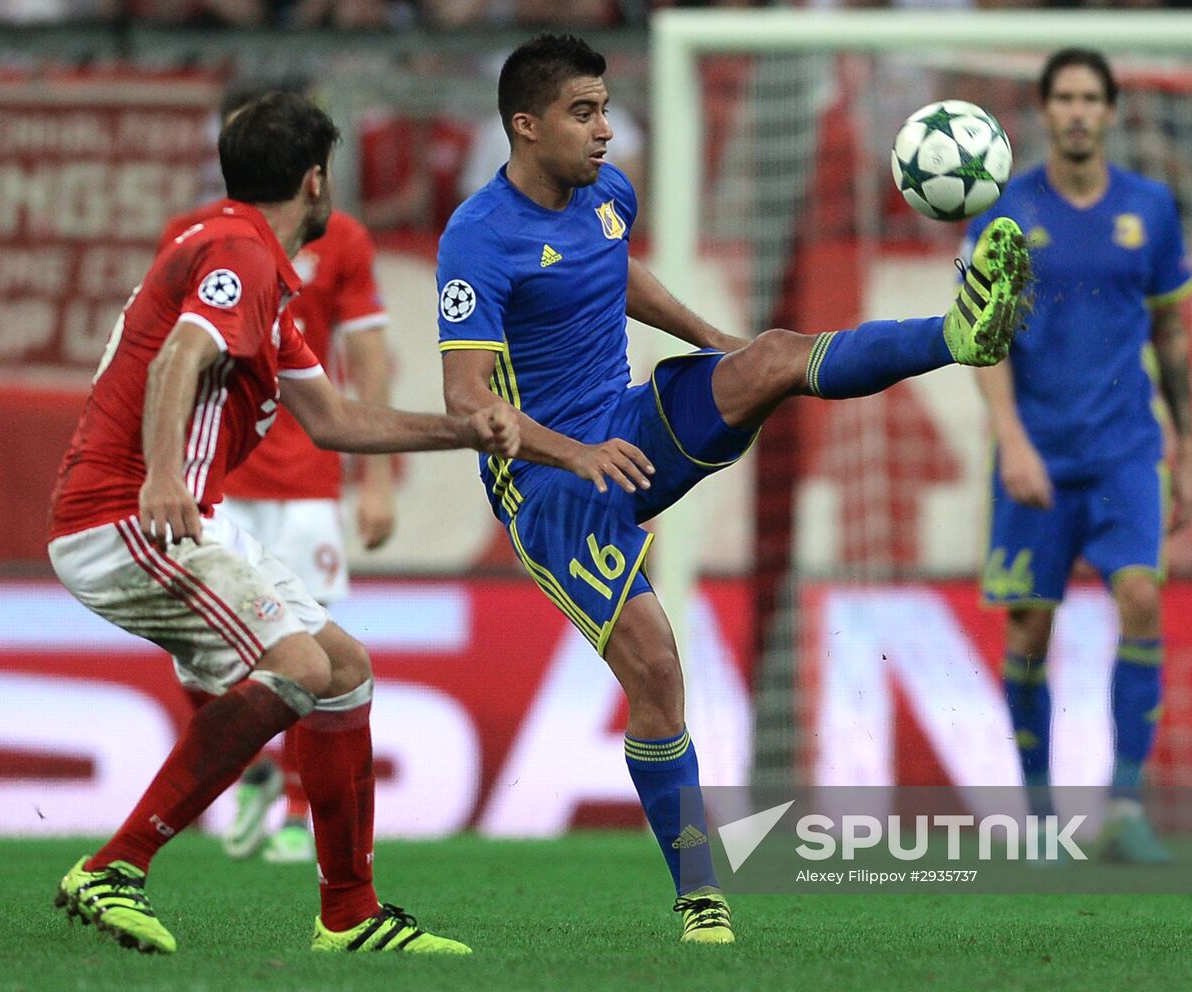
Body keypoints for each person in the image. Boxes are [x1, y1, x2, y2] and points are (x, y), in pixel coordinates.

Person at [437, 33, 1031, 943]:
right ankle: (700, 894)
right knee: (657, 670)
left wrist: (716, 338)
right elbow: (467, 399)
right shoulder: (477, 240)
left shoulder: (608, 194)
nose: (605, 131)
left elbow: (613, 270)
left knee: (776, 356)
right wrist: (571, 456)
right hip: (547, 487)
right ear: (524, 125)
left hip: (627, 422)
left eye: (605, 110)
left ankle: (958, 332)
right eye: (582, 114)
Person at [48, 91, 518, 956]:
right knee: (299, 663)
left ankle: (351, 913)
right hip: (128, 516)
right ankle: (117, 865)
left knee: (341, 669)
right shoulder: (239, 251)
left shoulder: (256, 268)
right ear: (315, 180)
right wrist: (160, 477)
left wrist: (463, 430)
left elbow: (334, 418)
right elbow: (182, 358)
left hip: (167, 513)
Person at [966, 48, 1192, 863]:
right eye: (1062, 96)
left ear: (1110, 112)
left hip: (1128, 449)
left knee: (1141, 598)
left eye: (1089, 98)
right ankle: (1035, 816)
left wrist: (1191, 448)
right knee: (1029, 630)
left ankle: (1126, 806)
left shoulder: (1152, 208)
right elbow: (982, 341)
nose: (1075, 110)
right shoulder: (1004, 210)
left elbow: (1170, 331)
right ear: (1043, 110)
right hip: (1039, 454)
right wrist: (1014, 442)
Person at [161, 93, 398, 867]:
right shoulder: (194, 240)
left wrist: (378, 480)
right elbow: (163, 361)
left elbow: (367, 353)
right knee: (194, 654)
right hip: (215, 481)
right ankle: (259, 772)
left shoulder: (344, 241)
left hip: (305, 482)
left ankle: (299, 810)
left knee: (317, 652)